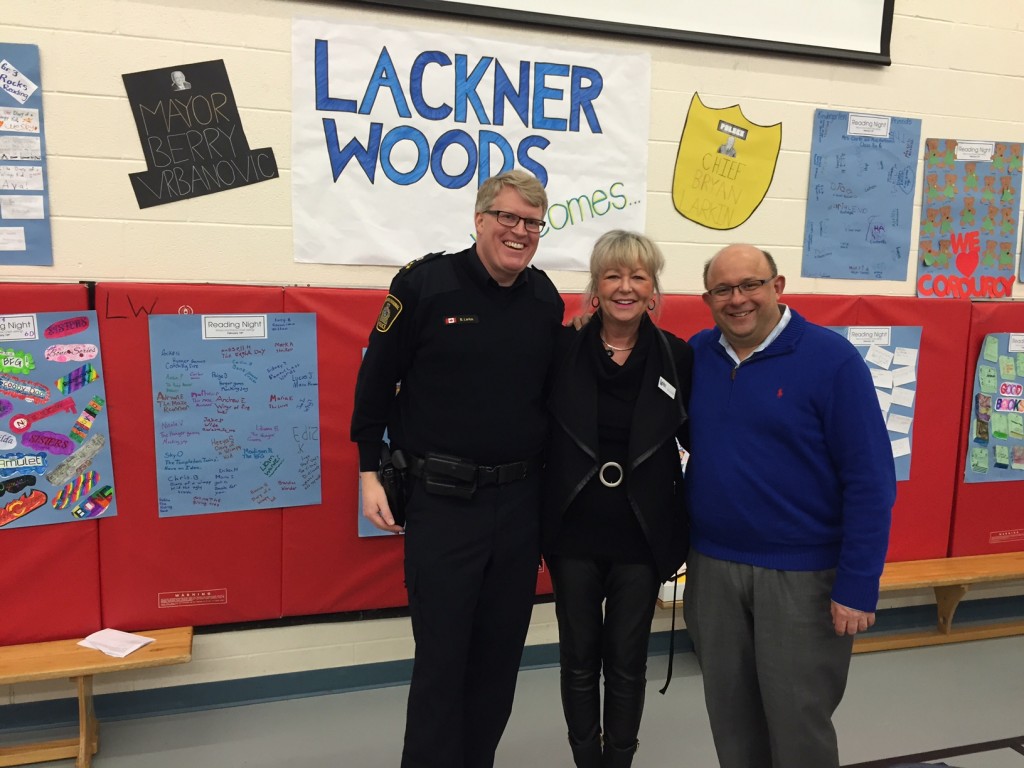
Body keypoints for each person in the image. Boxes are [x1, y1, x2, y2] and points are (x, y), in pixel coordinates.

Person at [351, 170, 564, 768]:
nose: (520, 232)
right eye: (509, 218)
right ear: (480, 219)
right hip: (443, 505)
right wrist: (369, 470)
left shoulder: (545, 298)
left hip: (520, 506)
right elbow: (375, 382)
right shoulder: (424, 285)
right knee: (443, 661)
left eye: (532, 224)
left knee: (499, 661)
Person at [684, 243, 897, 768]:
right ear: (707, 297)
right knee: (730, 722)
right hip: (712, 570)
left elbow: (871, 480)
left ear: (777, 288)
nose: (738, 299)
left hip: (803, 577)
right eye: (724, 289)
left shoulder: (832, 361)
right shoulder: (696, 356)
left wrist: (858, 583)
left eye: (751, 285)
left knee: (798, 725)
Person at [544, 230, 693, 767]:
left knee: (627, 662)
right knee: (579, 658)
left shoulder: (678, 358)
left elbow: (700, 441)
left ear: (653, 290)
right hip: (572, 533)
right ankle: (587, 758)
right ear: (595, 287)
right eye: (613, 275)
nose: (625, 287)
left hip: (642, 536)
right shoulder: (563, 349)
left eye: (638, 276)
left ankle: (620, 760)